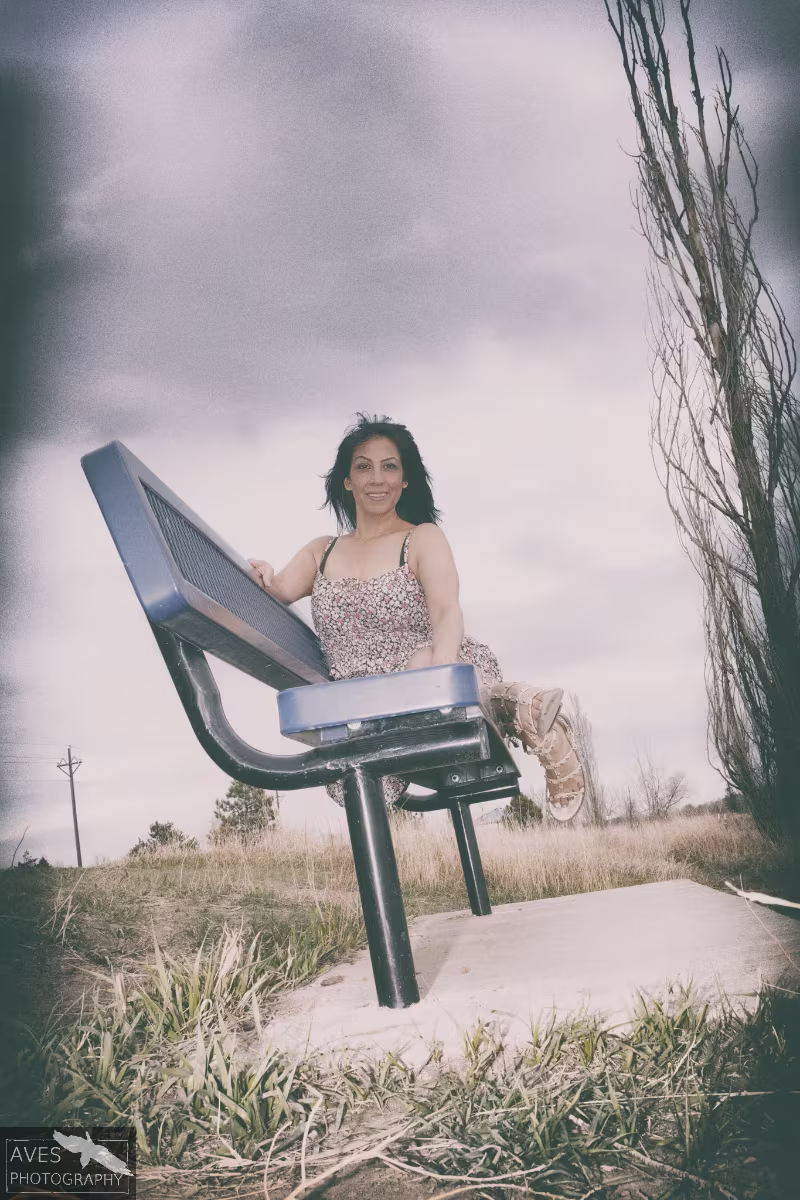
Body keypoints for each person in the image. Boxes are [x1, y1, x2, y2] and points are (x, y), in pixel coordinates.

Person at [249, 414, 585, 820]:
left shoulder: (422, 538)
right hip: (366, 711)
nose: (377, 478)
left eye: (389, 466)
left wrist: (440, 679)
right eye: (364, 466)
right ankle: (516, 705)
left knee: (421, 664)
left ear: (405, 479)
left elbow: (446, 610)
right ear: (347, 481)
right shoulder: (322, 552)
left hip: (430, 675)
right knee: (360, 775)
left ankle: (511, 706)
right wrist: (265, 574)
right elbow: (280, 588)